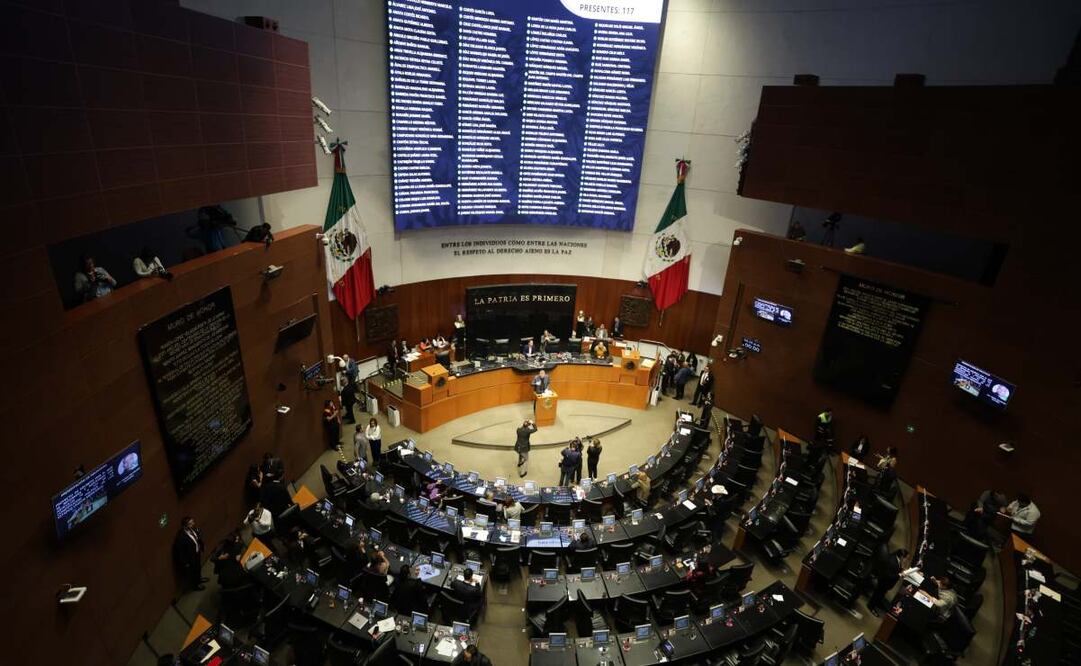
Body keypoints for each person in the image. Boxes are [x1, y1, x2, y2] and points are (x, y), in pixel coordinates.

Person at [867, 545, 907, 616]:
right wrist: (900, 575)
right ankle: (871, 606)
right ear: (902, 557)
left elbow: (895, 569)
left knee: (881, 594)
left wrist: (901, 570)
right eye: (906, 558)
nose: (906, 560)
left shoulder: (896, 559)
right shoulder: (892, 561)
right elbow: (889, 575)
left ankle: (877, 603)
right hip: (883, 581)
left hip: (886, 583)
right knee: (877, 594)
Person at [172, 516, 207, 591]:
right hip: (190, 558)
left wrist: (201, 546)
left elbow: (197, 538)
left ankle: (199, 579)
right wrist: (185, 562)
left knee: (198, 568)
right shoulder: (181, 536)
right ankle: (196, 585)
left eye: (193, 522)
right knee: (193, 572)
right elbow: (180, 551)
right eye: (191, 523)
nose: (193, 524)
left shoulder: (192, 529)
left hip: (196, 554)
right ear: (185, 525)